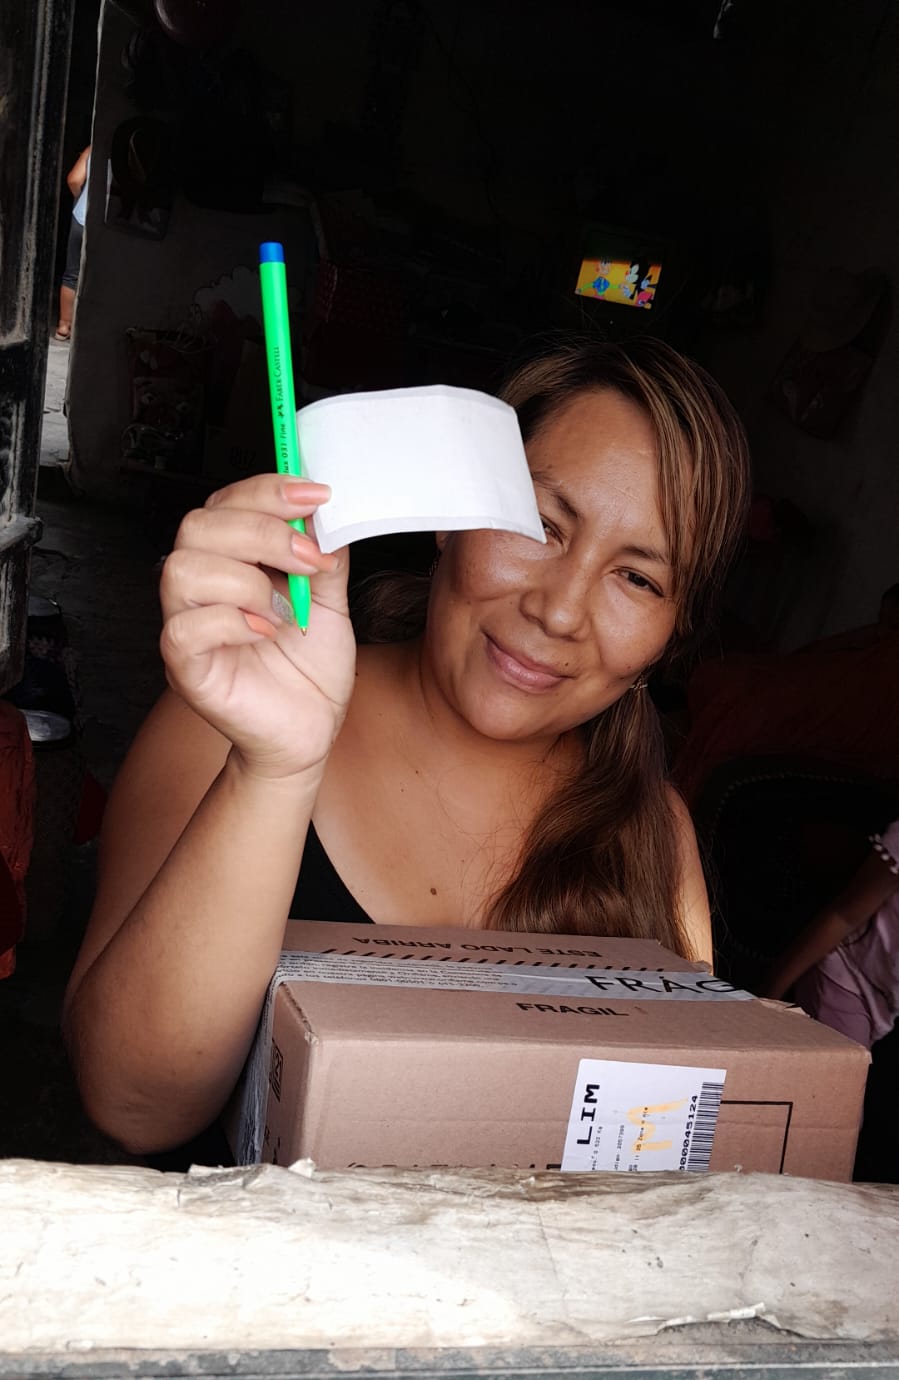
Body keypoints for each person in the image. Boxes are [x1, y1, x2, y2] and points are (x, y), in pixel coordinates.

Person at [63, 336, 751, 1154]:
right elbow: (133, 1105)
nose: (560, 610)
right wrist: (275, 769)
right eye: (538, 523)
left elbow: (670, 1137)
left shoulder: (654, 832)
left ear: (669, 641)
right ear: (452, 517)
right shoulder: (230, 724)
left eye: (637, 578)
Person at [764, 820, 899, 1051]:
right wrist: (769, 993)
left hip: (887, 1003)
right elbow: (844, 917)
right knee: (841, 1068)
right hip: (847, 978)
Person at [55, 146, 90, 341]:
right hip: (112, 224)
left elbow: (74, 180)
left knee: (72, 274)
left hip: (82, 217)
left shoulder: (94, 148)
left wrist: (80, 198)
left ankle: (64, 325)